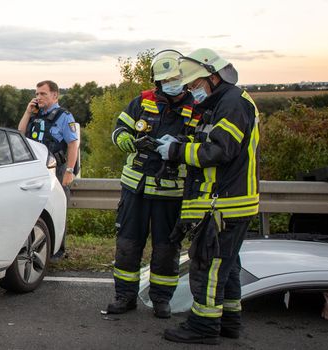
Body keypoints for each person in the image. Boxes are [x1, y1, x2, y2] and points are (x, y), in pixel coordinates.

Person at [155, 48, 260, 344]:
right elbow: (207, 141)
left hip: (225, 204)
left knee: (208, 265)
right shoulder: (221, 103)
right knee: (227, 267)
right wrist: (182, 143)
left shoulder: (233, 103)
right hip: (228, 203)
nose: (191, 91)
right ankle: (229, 321)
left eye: (195, 84)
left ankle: (203, 326)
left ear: (213, 76)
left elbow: (220, 151)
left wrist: (176, 151)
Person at [105, 50, 199, 319]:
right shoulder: (143, 101)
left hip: (170, 192)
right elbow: (120, 127)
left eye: (176, 78)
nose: (173, 83)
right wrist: (122, 138)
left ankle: (160, 300)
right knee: (127, 245)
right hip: (135, 189)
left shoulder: (196, 107)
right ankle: (124, 297)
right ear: (158, 82)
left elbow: (202, 146)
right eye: (167, 79)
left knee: (166, 249)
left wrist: (178, 147)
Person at [18, 80, 80, 188]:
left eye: (43, 94)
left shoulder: (64, 116)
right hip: (35, 169)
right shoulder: (35, 114)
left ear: (54, 95)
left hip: (56, 170)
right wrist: (28, 112)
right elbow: (21, 134)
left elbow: (73, 144)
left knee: (56, 204)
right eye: (37, 94)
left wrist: (69, 172)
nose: (38, 97)